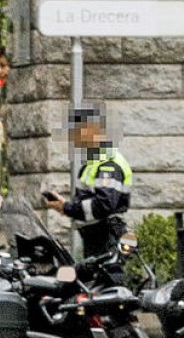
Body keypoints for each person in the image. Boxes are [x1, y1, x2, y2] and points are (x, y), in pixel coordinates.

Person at [45, 105, 133, 259]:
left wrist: (67, 208)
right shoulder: (93, 164)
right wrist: (65, 206)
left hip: (107, 240)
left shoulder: (108, 165)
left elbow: (104, 205)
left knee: (107, 282)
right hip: (96, 240)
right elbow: (89, 202)